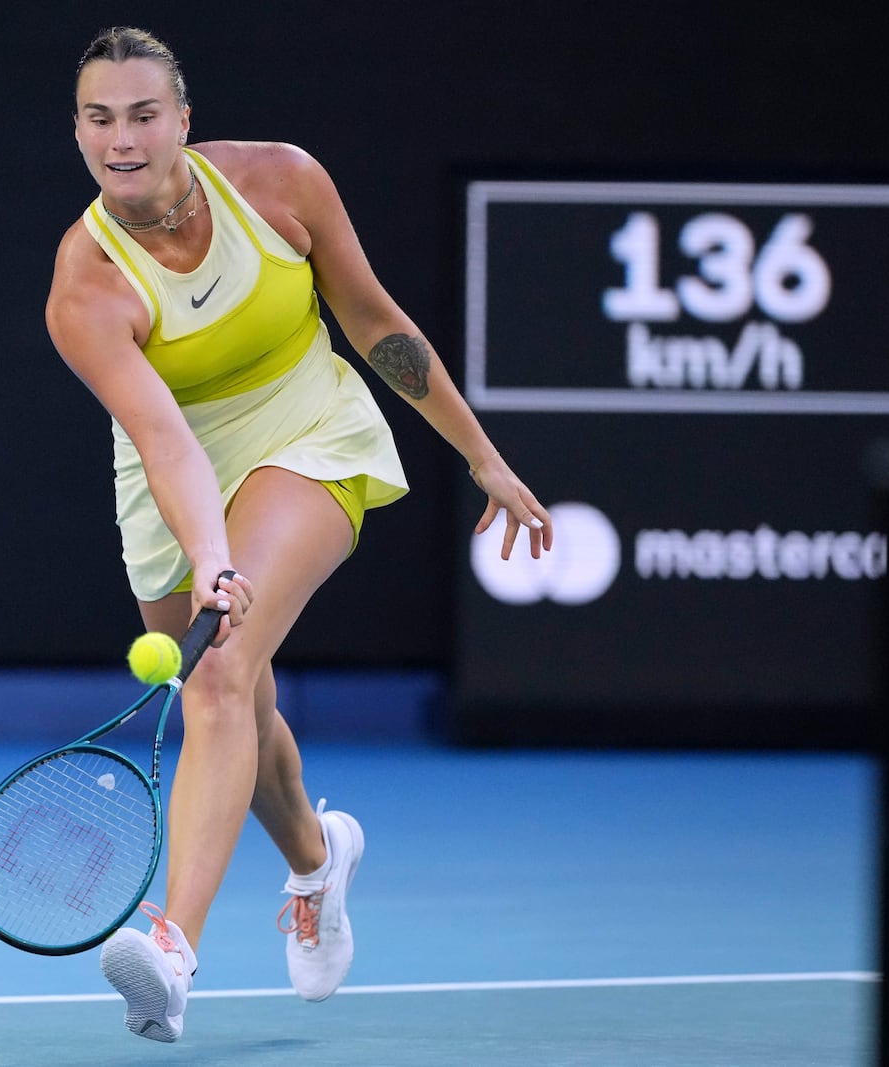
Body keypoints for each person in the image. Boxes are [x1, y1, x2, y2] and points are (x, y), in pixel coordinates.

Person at [45, 26, 553, 1043]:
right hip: (174, 471)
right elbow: (164, 442)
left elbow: (373, 321)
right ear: (79, 131)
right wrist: (209, 553)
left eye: (144, 113)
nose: (123, 137)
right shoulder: (86, 286)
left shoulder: (280, 185)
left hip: (310, 427)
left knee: (220, 676)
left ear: (184, 118)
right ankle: (319, 858)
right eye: (99, 118)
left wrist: (480, 454)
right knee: (245, 694)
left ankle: (171, 945)